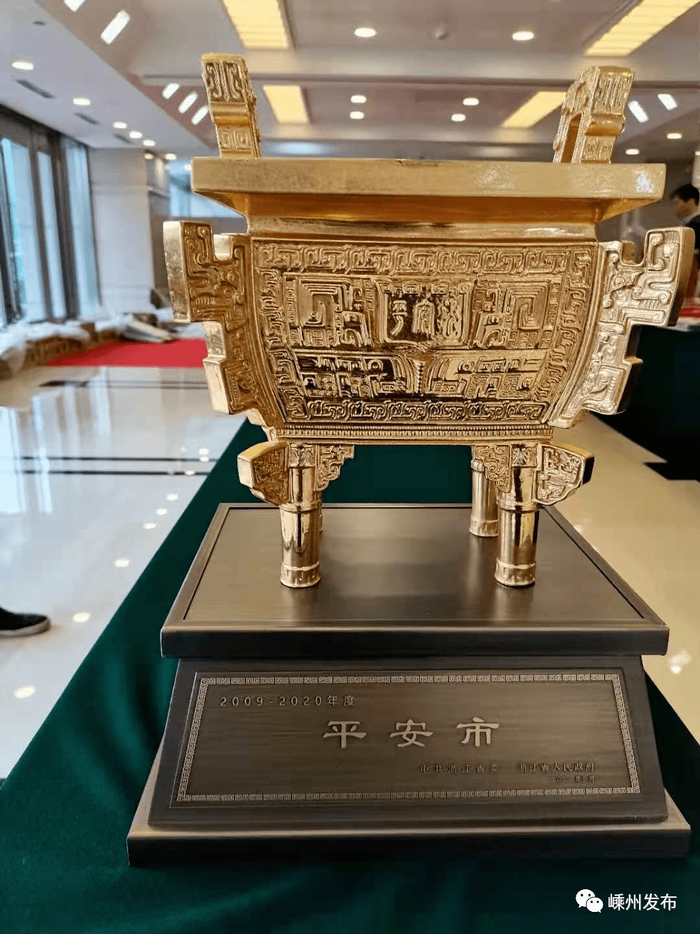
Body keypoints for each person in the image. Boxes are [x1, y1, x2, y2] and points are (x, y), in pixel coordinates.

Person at [670, 183, 700, 296]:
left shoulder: (696, 225)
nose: (675, 208)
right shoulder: (688, 225)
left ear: (690, 201)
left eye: (677, 203)